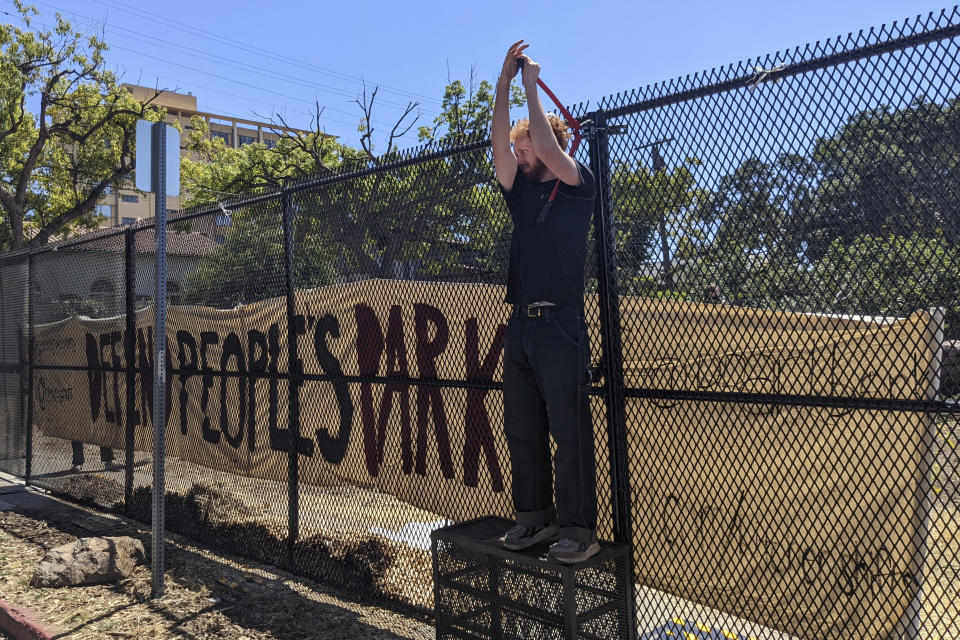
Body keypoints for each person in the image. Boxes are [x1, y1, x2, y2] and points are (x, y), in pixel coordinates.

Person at [491, 41, 599, 564]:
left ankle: (578, 531)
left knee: (569, 431)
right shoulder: (522, 190)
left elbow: (553, 154)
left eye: (527, 143)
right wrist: (503, 84)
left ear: (549, 143)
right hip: (521, 326)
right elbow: (497, 148)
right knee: (521, 427)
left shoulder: (575, 183)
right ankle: (533, 520)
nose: (520, 151)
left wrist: (531, 86)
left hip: (561, 325)